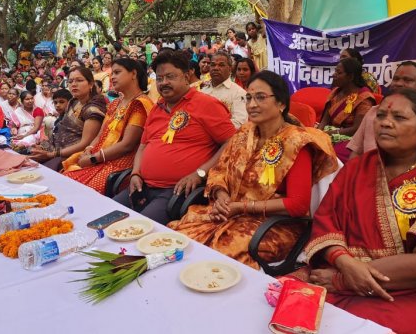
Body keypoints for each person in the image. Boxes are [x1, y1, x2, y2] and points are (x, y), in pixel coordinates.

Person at [297, 88, 416, 334]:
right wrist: (342, 261)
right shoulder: (357, 168)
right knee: (280, 306)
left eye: (399, 118)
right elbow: (327, 221)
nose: (385, 123)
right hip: (340, 269)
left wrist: (343, 280)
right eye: (380, 117)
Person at [168, 71, 338, 268]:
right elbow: (220, 170)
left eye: (260, 97)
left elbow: (298, 205)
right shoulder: (243, 133)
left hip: (272, 226)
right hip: (228, 212)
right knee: (179, 240)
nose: (252, 104)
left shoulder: (296, 142)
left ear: (281, 104)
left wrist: (240, 207)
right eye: (248, 98)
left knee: (217, 259)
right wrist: (222, 196)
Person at [112, 50, 237, 224]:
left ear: (186, 77)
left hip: (176, 192)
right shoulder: (157, 108)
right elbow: (143, 146)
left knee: (137, 229)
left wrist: (200, 173)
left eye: (170, 77)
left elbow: (231, 141)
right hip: (142, 186)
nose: (164, 83)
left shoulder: (206, 104)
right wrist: (135, 173)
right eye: (160, 78)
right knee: (105, 217)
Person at [63, 59, 154, 194]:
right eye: (112, 73)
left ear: (133, 74)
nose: (112, 77)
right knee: (64, 179)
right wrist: (89, 149)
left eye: (117, 72)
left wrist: (93, 158)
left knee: (77, 191)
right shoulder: (115, 103)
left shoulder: (140, 104)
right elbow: (100, 134)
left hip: (118, 163)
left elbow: (127, 145)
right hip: (98, 157)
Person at [348, 62, 416, 158]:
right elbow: (357, 152)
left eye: (407, 80)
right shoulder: (373, 111)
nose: (398, 83)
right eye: (396, 79)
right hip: (368, 176)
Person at [318, 58, 376, 162]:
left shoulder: (364, 98)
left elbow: (357, 129)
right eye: (335, 71)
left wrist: (333, 133)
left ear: (350, 77)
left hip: (351, 139)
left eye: (338, 72)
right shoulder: (335, 91)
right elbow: (324, 120)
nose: (333, 75)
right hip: (329, 134)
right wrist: (318, 133)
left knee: (329, 157)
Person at [200, 51, 247, 129]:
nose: (216, 68)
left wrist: (211, 130)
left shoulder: (239, 93)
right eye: (213, 65)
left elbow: (239, 123)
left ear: (230, 69)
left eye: (221, 65)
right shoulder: (202, 90)